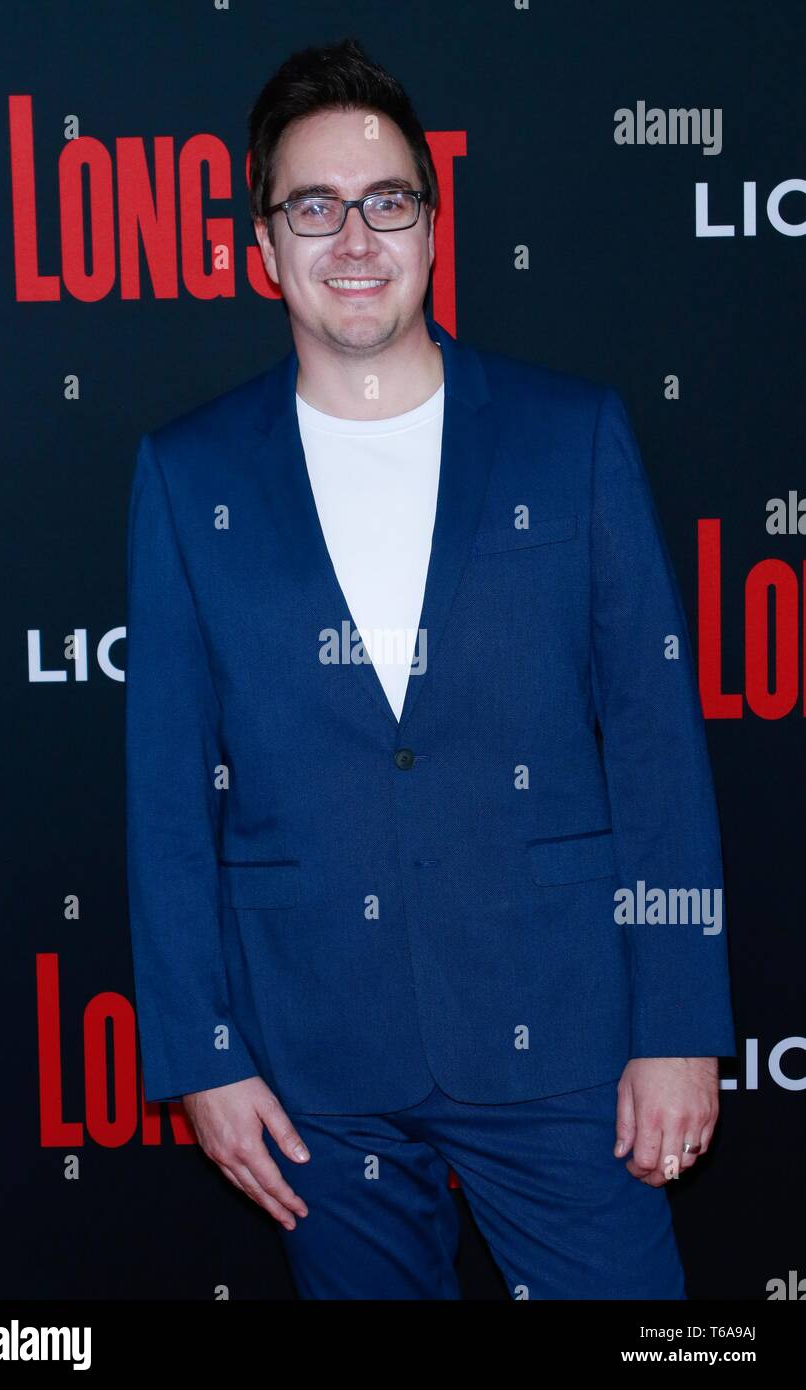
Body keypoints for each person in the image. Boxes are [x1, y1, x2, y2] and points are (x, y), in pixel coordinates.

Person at [124, 37, 737, 1299]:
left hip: (563, 1032)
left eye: (385, 202)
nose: (353, 239)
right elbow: (166, 796)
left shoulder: (572, 436)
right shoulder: (188, 477)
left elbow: (655, 745)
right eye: (313, 208)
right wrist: (202, 1053)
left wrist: (676, 1025)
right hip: (313, 1056)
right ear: (262, 246)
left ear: (431, 225)